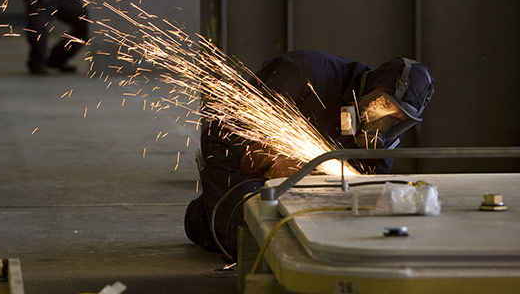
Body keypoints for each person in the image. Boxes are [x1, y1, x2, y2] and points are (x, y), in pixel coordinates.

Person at [184, 49, 435, 260]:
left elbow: (367, 191)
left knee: (313, 241)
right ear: (374, 85)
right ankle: (204, 218)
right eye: (386, 105)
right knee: (254, 245)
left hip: (299, 179)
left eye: (397, 118)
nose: (386, 119)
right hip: (233, 155)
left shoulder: (383, 138)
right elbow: (237, 132)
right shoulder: (303, 74)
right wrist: (272, 160)